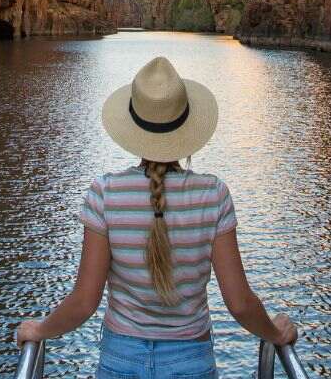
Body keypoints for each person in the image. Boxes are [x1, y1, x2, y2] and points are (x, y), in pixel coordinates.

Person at [15, 56, 298, 378]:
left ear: (133, 125)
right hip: (191, 360)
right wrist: (275, 334)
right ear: (187, 127)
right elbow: (239, 303)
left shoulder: (105, 193)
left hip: (121, 360)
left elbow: (83, 302)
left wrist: (40, 331)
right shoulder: (212, 195)